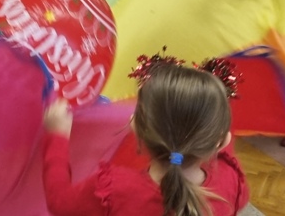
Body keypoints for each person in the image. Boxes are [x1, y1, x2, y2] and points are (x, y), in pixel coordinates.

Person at [42, 63, 249, 216]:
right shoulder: (230, 180)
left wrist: (58, 136)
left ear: (135, 126)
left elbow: (61, 204)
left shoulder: (115, 189)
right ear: (222, 141)